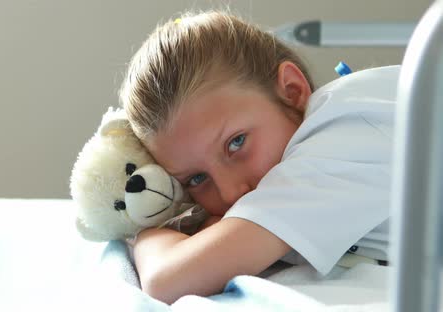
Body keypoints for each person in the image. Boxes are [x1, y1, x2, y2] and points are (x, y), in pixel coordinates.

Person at [119, 11, 395, 304]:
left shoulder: (339, 144)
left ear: (292, 90)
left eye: (236, 143)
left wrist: (145, 234)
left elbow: (165, 280)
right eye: (197, 179)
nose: (229, 192)